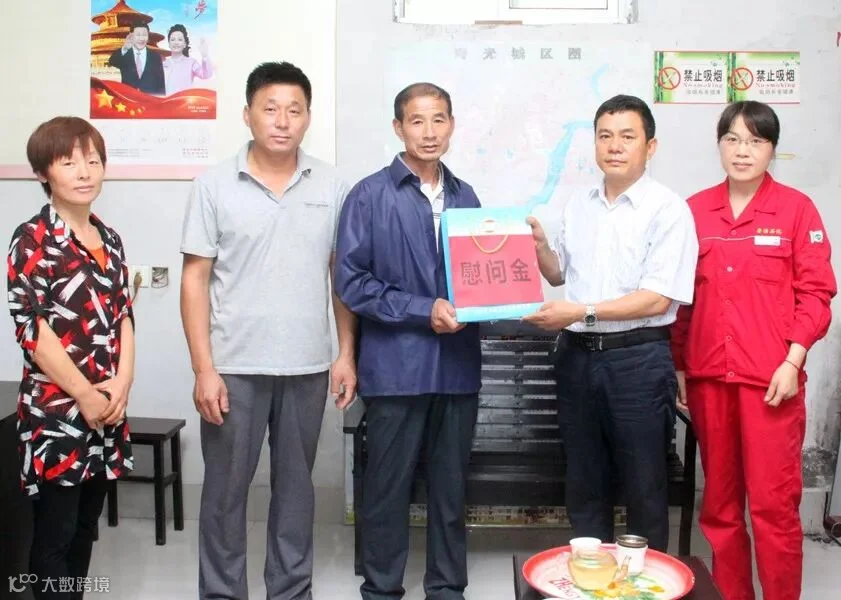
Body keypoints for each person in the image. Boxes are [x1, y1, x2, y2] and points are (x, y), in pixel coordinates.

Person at [180, 61, 357, 600]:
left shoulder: (333, 185)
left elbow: (341, 277)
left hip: (307, 365)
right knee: (224, 495)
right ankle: (222, 593)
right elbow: (195, 279)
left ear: (308, 117)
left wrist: (345, 353)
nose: (282, 121)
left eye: (294, 110)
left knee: (296, 494)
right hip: (233, 368)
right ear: (248, 115)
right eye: (270, 109)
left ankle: (291, 590)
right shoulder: (213, 185)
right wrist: (204, 369)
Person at [670, 101, 836, 600]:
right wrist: (680, 367)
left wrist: (793, 359)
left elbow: (817, 294)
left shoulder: (796, 210)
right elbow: (681, 300)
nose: (743, 151)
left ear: (772, 149)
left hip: (772, 383)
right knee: (719, 508)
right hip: (709, 380)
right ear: (719, 145)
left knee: (772, 507)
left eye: (756, 141)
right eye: (733, 139)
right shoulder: (694, 210)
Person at [524, 95, 698, 552]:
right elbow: (559, 274)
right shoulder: (578, 204)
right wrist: (540, 247)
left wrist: (580, 312)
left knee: (644, 484)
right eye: (605, 136)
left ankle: (645, 579)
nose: (614, 146)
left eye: (627, 136)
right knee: (584, 480)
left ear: (650, 146)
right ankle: (590, 575)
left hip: (636, 362)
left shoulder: (668, 209)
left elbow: (657, 298)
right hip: (577, 360)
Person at [335, 82, 482, 600]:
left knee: (451, 492)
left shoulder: (467, 196)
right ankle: (381, 591)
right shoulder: (369, 195)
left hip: (457, 369)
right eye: (417, 121)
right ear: (398, 128)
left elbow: (476, 277)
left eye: (439, 120)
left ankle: (447, 589)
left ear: (452, 125)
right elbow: (352, 282)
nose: (429, 131)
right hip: (396, 369)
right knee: (387, 490)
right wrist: (424, 309)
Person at [7, 116, 135, 599]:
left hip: (107, 409)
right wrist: (84, 394)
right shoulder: (32, 238)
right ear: (44, 172)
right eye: (69, 162)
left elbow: (124, 315)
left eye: (93, 161)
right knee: (55, 538)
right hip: (57, 414)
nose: (84, 172)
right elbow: (33, 332)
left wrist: (121, 384)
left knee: (85, 530)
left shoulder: (110, 239)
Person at [108, 23, 165, 96]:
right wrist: (125, 48)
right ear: (131, 36)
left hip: (150, 99)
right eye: (138, 35)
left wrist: (159, 99)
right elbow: (112, 61)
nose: (141, 38)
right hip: (129, 98)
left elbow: (161, 83)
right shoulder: (125, 54)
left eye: (144, 35)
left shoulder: (155, 57)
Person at [163, 24, 214, 96]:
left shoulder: (191, 63)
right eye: (172, 39)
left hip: (184, 100)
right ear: (169, 44)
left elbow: (206, 75)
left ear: (185, 44)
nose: (176, 42)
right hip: (166, 100)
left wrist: (205, 56)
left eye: (180, 39)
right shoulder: (163, 63)